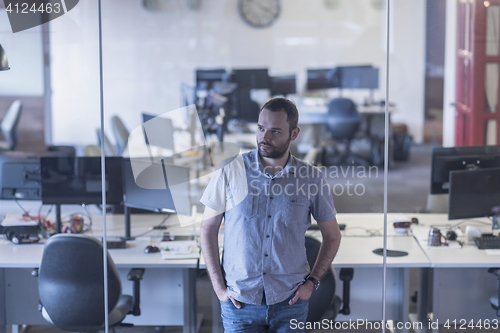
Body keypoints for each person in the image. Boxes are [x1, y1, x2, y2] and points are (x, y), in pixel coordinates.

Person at [200, 97, 342, 332]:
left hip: (290, 303)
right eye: (261, 128)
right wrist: (218, 287)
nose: (264, 137)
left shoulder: (311, 178)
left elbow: (333, 235)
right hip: (240, 304)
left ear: (294, 134)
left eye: (275, 131)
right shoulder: (230, 170)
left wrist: (313, 282)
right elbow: (208, 228)